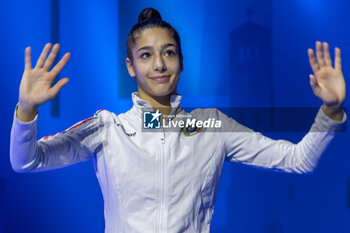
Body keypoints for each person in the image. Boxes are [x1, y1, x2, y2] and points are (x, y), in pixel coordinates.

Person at [10, 7, 346, 233]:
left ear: (181, 62)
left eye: (168, 52)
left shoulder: (212, 127)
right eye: (146, 55)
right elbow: (25, 161)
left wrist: (330, 109)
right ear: (130, 67)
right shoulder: (108, 128)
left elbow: (299, 160)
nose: (159, 64)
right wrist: (26, 109)